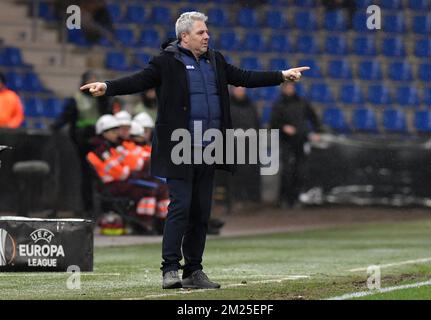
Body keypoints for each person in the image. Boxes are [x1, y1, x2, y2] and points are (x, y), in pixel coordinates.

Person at [80, 11, 309, 290]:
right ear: (184, 36)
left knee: (201, 212)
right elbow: (139, 80)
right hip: (179, 147)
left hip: (210, 148)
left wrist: (281, 76)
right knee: (181, 207)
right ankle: (170, 268)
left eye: (206, 32)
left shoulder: (216, 59)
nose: (207, 36)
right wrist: (107, 87)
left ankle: (194, 271)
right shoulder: (166, 61)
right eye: (201, 32)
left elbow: (244, 77)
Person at [87, 115, 169, 234]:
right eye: (114, 131)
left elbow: (129, 166)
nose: (117, 133)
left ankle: (163, 223)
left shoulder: (111, 147)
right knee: (149, 188)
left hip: (122, 183)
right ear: (104, 132)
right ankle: (143, 224)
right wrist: (136, 172)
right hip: (111, 186)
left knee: (161, 187)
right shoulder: (100, 150)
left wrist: (135, 171)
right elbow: (121, 173)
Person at [52, 70, 111, 215]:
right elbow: (67, 116)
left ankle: (105, 209)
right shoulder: (76, 99)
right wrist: (55, 126)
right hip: (83, 142)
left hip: (100, 142)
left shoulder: (102, 97)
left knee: (104, 175)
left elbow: (108, 113)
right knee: (86, 177)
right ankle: (88, 208)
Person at [270, 82, 322, 209]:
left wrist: (316, 131)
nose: (289, 89)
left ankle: (296, 198)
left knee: (300, 171)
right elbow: (273, 123)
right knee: (287, 171)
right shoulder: (279, 105)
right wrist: (283, 127)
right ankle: (283, 199)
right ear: (283, 89)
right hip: (286, 141)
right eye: (287, 87)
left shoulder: (302, 102)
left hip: (301, 140)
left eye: (291, 87)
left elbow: (313, 118)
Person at [229, 86, 261, 202]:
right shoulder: (228, 105)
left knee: (251, 170)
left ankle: (252, 197)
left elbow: (256, 123)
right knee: (236, 171)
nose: (240, 92)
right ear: (233, 90)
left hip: (250, 142)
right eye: (238, 89)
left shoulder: (250, 105)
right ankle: (236, 197)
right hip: (233, 143)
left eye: (242, 89)